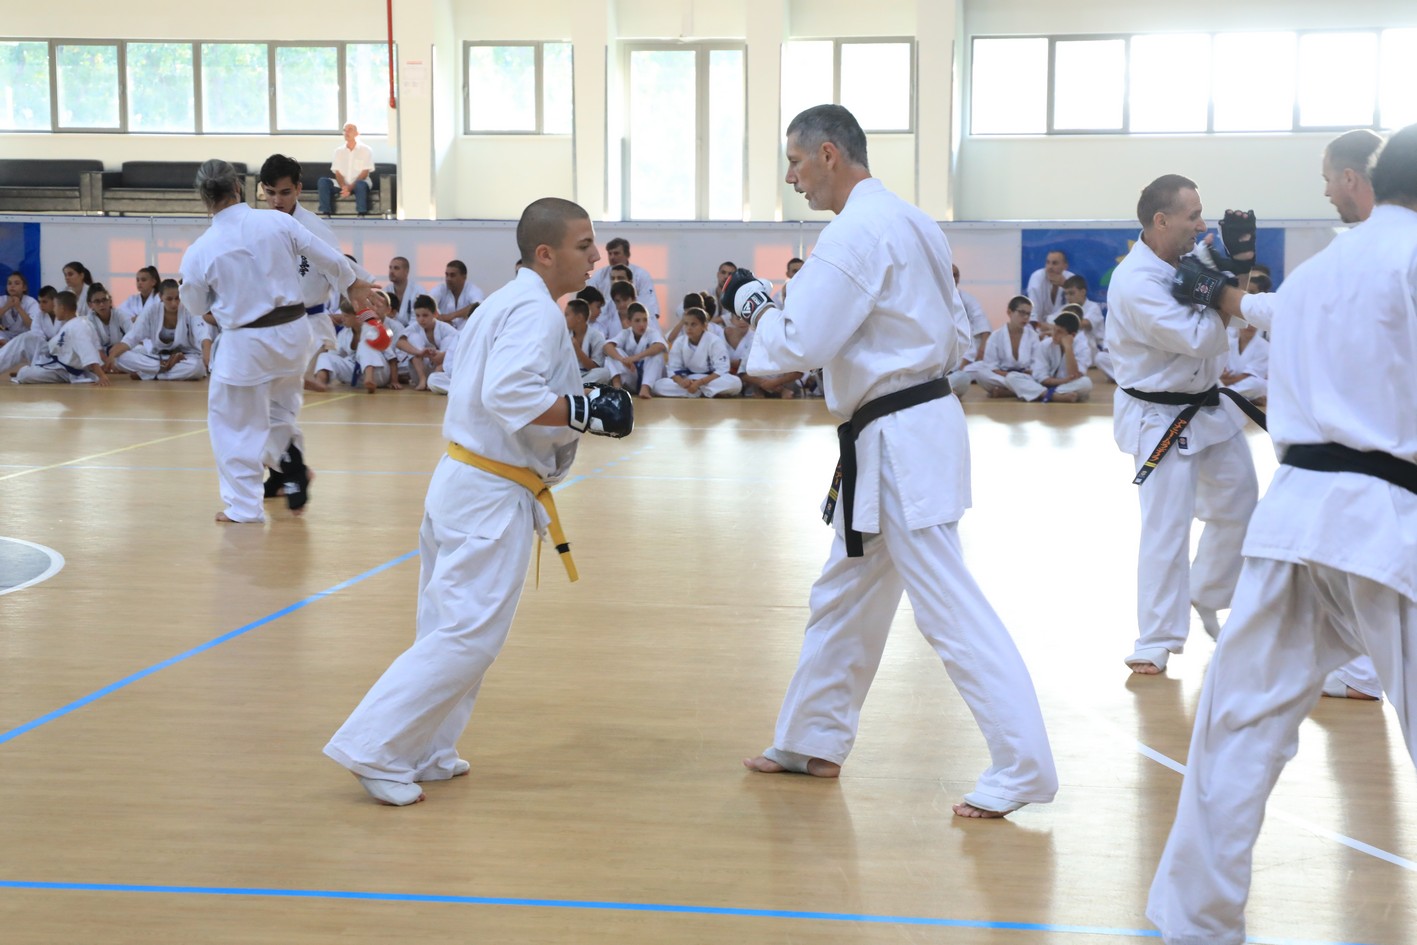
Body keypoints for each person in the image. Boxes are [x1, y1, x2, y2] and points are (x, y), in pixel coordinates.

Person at [725, 105, 1056, 819]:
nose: (792, 179)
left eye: (795, 163)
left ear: (828, 154)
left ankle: (1023, 764)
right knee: (844, 592)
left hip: (900, 436)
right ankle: (810, 737)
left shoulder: (854, 231)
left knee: (947, 603)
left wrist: (756, 308)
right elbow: (949, 331)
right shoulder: (912, 221)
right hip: (900, 428)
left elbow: (794, 347)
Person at [1146, 121, 1417, 945]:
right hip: (1384, 522)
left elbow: (1253, 312)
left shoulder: (1318, 270)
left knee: (1237, 729)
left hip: (1292, 517)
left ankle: (1193, 922)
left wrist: (1217, 289)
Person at [324, 197, 634, 806]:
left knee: (449, 628)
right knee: (467, 635)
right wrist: (584, 410)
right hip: (489, 493)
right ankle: (372, 747)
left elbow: (470, 381)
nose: (596, 256)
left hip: (465, 481)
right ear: (545, 253)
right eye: (583, 246)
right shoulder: (534, 312)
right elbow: (508, 393)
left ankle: (427, 750)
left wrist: (579, 394)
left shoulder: (504, 303)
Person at [1107, 174, 1261, 673]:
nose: (1201, 224)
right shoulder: (1136, 282)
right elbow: (1201, 339)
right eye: (1192, 215)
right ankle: (1156, 638)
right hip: (1159, 416)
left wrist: (1236, 267)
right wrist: (1225, 289)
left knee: (1240, 504)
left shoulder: (1189, 259)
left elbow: (1230, 315)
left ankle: (1208, 592)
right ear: (1161, 220)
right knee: (1166, 528)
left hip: (1207, 408)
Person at [179, 159, 373, 524]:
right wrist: (353, 282)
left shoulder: (201, 249)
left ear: (204, 198)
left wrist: (217, 304)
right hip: (294, 334)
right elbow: (327, 255)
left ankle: (244, 507)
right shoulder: (277, 222)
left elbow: (195, 305)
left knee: (232, 425)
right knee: (279, 411)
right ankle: (289, 461)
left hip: (246, 344)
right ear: (238, 187)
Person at [109, 279, 211, 381]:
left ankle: (149, 375)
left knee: (197, 367)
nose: (174, 303)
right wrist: (112, 356)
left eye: (177, 298)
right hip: (157, 358)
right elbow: (132, 337)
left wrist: (207, 355)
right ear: (160, 296)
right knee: (120, 358)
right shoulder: (151, 311)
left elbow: (203, 336)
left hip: (185, 357)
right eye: (169, 299)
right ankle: (163, 368)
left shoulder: (189, 310)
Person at [10, 290, 109, 386]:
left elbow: (87, 351)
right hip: (57, 364)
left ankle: (32, 371)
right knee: (28, 342)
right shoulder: (73, 324)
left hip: (64, 371)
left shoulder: (78, 326)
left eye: (55, 306)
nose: (54, 310)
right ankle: (35, 369)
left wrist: (101, 375)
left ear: (62, 308)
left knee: (24, 374)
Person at [1004, 309, 1092, 403]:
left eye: (1059, 332)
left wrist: (1068, 348)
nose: (1054, 335)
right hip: (1046, 384)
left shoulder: (1082, 347)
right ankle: (1054, 396)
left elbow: (1074, 375)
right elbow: (1042, 378)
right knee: (1011, 377)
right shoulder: (1045, 345)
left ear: (1072, 335)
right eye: (1054, 330)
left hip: (1067, 385)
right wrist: (1062, 381)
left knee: (1086, 383)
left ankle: (1038, 393)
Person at [650, 308, 741, 398]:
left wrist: (699, 383)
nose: (689, 328)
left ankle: (695, 392)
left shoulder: (714, 341)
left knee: (736, 383)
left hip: (710, 379)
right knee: (658, 385)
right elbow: (673, 369)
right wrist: (681, 382)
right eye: (686, 324)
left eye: (693, 324)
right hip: (689, 379)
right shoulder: (679, 342)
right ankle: (705, 392)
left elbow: (722, 369)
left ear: (704, 326)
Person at [586, 238, 659, 322]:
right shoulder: (599, 275)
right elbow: (588, 300)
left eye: (616, 253)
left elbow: (650, 305)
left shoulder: (641, 275)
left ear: (627, 255)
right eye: (610, 253)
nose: (612, 257)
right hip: (605, 320)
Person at [396, 295, 458, 391]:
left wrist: (443, 354)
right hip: (420, 371)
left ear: (435, 314)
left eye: (425, 315)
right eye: (418, 316)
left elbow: (460, 345)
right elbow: (400, 342)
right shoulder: (415, 327)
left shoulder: (445, 328)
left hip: (441, 371)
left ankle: (437, 374)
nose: (421, 319)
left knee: (449, 340)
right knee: (413, 338)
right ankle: (422, 379)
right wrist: (419, 352)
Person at [605, 302, 667, 398]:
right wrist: (622, 359)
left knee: (656, 354)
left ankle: (645, 388)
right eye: (637, 321)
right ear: (629, 322)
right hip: (632, 377)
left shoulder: (652, 333)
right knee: (613, 354)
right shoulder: (625, 333)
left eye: (645, 320)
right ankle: (617, 387)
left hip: (651, 379)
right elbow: (607, 346)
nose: (642, 324)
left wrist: (635, 358)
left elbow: (660, 346)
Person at [319, 123, 374, 216]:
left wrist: (350, 187)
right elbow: (337, 172)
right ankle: (325, 213)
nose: (346, 132)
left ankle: (361, 214)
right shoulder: (338, 151)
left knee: (360, 184)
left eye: (350, 130)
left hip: (359, 183)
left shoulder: (366, 150)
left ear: (357, 133)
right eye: (345, 130)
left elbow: (364, 173)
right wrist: (344, 187)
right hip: (342, 184)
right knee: (323, 181)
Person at [564, 297, 612, 385]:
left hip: (587, 375)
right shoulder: (564, 334)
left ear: (579, 318)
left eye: (567, 315)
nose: (564, 318)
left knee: (604, 373)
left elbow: (594, 367)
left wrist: (578, 350)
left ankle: (576, 387)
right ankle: (575, 387)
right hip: (568, 375)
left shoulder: (597, 336)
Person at [1024, 250, 1074, 325]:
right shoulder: (1037, 278)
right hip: (1039, 327)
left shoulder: (1071, 279)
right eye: (1048, 262)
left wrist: (1066, 285)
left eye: (1055, 263)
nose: (1050, 267)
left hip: (1064, 327)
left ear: (1065, 266)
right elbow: (1033, 313)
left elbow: (1077, 309)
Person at [433, 260, 484, 329]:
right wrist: (441, 320)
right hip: (444, 332)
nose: (448, 279)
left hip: (467, 331)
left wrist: (450, 316)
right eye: (447, 275)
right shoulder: (441, 289)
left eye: (452, 275)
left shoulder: (473, 290)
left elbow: (478, 306)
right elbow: (427, 303)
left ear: (464, 277)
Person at [0, 272, 40, 342]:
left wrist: (18, 307)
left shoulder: (31, 302)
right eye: (9, 283)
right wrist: (7, 306)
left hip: (24, 336)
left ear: (24, 287)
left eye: (17, 283)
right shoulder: (2, 300)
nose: (12, 286)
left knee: (33, 336)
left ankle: (8, 347)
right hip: (6, 335)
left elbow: (33, 326)